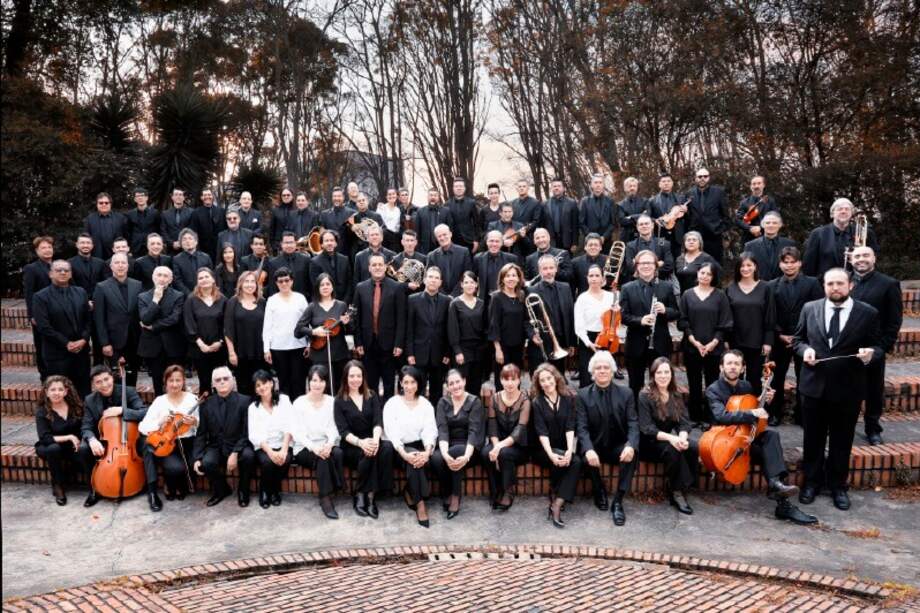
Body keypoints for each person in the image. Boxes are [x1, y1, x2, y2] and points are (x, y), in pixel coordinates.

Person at [794, 268, 882, 511]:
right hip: (813, 388)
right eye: (830, 283)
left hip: (848, 390)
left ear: (850, 285)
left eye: (840, 283)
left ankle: (838, 486)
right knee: (812, 439)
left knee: (842, 441)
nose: (835, 288)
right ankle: (811, 483)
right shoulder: (809, 308)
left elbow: (878, 346)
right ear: (824, 286)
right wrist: (805, 351)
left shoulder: (868, 313)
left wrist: (870, 354)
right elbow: (798, 340)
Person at [706, 351, 815, 524]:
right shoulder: (713, 390)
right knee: (768, 451)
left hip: (745, 438)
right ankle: (782, 501)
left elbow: (755, 415)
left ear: (742, 368)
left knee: (771, 436)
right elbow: (722, 416)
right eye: (729, 363)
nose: (733, 367)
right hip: (724, 443)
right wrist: (752, 412)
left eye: (737, 364)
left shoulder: (746, 386)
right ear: (721, 367)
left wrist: (764, 401)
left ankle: (776, 487)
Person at [576, 351, 637, 526]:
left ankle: (618, 501)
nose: (602, 371)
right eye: (598, 368)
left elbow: (633, 423)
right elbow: (582, 427)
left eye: (606, 367)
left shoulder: (626, 393)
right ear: (592, 372)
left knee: (633, 453)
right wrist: (588, 449)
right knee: (584, 453)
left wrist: (630, 445)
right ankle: (598, 490)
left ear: (612, 371)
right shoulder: (582, 395)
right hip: (595, 446)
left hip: (617, 445)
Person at [850, 246, 902, 445]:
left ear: (874, 259)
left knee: (873, 391)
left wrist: (880, 349)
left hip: (873, 349)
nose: (861, 259)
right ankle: (845, 426)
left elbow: (894, 322)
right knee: (846, 390)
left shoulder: (888, 284)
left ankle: (872, 429)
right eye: (857, 256)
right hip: (846, 349)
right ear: (851, 259)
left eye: (865, 255)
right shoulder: (844, 281)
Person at [79, 365, 148, 508]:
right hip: (106, 441)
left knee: (147, 443)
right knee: (84, 448)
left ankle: (145, 484)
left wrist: (123, 410)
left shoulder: (127, 391)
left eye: (106, 379)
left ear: (112, 377)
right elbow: (86, 426)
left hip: (129, 439)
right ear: (93, 384)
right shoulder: (90, 400)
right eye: (98, 382)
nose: (104, 385)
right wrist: (92, 440)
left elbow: (144, 412)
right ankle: (94, 489)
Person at [768, 246, 822, 426]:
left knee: (804, 378)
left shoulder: (812, 284)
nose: (789, 266)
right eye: (786, 262)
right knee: (776, 379)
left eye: (793, 262)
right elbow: (769, 314)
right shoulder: (771, 285)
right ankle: (775, 414)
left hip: (805, 339)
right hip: (780, 339)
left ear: (800, 263)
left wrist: (799, 336)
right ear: (780, 264)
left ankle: (802, 415)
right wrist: (779, 334)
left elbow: (817, 311)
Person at [334, 360, 393, 518]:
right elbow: (343, 431)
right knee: (367, 454)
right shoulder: (339, 400)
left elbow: (377, 421)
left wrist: (373, 441)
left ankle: (365, 493)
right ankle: (366, 496)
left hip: (372, 438)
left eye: (358, 376)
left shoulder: (372, 395)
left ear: (363, 377)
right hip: (352, 444)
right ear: (346, 377)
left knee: (385, 448)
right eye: (351, 376)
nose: (355, 379)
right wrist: (362, 443)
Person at [638, 358, 697, 515]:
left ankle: (688, 485)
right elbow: (646, 428)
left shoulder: (676, 394)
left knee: (693, 446)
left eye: (666, 372)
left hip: (666, 440)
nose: (663, 376)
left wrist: (682, 438)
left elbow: (684, 423)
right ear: (653, 375)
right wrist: (673, 439)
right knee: (673, 450)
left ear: (671, 374)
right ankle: (676, 492)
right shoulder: (645, 395)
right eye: (659, 372)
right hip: (647, 443)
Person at [619, 250, 680, 399]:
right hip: (636, 342)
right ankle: (635, 417)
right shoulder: (627, 288)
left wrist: (666, 310)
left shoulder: (666, 287)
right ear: (637, 266)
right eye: (642, 263)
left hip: (660, 342)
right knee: (635, 383)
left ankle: (660, 414)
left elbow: (676, 313)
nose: (646, 266)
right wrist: (640, 320)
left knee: (661, 383)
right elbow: (623, 316)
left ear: (655, 266)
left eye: (649, 263)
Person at [137, 365, 199, 510]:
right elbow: (143, 426)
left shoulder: (192, 399)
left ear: (184, 381)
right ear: (165, 382)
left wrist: (194, 422)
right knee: (175, 468)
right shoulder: (160, 401)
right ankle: (169, 484)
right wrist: (160, 423)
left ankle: (179, 485)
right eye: (171, 380)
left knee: (192, 466)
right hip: (167, 443)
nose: (175, 384)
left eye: (178, 380)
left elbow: (200, 424)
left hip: (188, 442)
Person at [193, 367, 256, 507]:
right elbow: (201, 433)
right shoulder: (206, 404)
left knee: (248, 456)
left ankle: (243, 490)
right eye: (218, 380)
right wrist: (197, 457)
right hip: (217, 445)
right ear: (213, 384)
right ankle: (222, 490)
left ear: (232, 381)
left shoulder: (245, 401)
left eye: (225, 379)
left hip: (240, 444)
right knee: (207, 462)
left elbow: (248, 432)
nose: (222, 382)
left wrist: (235, 452)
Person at [678, 262, 732, 425]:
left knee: (712, 383)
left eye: (709, 274)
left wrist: (713, 343)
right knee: (694, 383)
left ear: (713, 277)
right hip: (692, 346)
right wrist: (694, 341)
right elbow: (683, 320)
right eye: (702, 273)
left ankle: (710, 417)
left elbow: (725, 322)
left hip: (714, 348)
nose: (705, 276)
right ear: (697, 274)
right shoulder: (687, 294)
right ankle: (695, 417)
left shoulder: (720, 295)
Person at [384, 366, 438, 527]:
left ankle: (410, 492)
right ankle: (420, 504)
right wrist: (404, 453)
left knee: (418, 458)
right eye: (405, 382)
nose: (409, 386)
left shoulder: (425, 404)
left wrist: (427, 452)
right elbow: (391, 433)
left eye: (412, 382)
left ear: (418, 383)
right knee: (414, 460)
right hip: (397, 448)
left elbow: (430, 430)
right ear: (400, 383)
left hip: (420, 446)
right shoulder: (392, 404)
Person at [530, 363, 582, 529]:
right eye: (542, 380)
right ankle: (557, 500)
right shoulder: (537, 403)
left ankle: (557, 501)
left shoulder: (568, 398)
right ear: (539, 384)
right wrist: (551, 455)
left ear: (555, 378)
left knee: (575, 460)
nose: (546, 383)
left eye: (548, 378)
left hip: (562, 446)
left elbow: (570, 426)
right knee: (567, 461)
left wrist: (569, 450)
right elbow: (541, 432)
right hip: (542, 450)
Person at [289, 366, 344, 518]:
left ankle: (334, 488)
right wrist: (314, 448)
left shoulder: (332, 402)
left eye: (321, 380)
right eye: (314, 380)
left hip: (326, 444)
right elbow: (297, 432)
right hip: (305, 448)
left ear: (326, 383)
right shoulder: (299, 403)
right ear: (309, 382)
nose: (317, 384)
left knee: (337, 452)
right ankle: (325, 497)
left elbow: (334, 427)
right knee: (322, 459)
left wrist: (329, 444)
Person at [32, 260, 92, 397]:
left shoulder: (81, 292)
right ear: (50, 274)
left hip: (81, 353)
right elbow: (43, 327)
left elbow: (88, 320)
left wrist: (84, 339)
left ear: (71, 274)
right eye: (58, 270)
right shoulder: (40, 297)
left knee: (83, 393)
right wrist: (66, 343)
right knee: (60, 395)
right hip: (57, 355)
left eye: (66, 270)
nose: (63, 272)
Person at [430, 369, 484, 519]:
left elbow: (474, 431)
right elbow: (443, 430)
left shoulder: (475, 402)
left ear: (464, 381)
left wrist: (467, 455)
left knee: (457, 452)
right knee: (436, 458)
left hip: (470, 447)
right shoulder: (443, 402)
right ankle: (446, 491)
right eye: (451, 383)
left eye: (458, 382)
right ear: (447, 386)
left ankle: (455, 495)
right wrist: (445, 454)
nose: (455, 386)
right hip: (448, 445)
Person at [353, 253, 406, 397]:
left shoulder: (397, 287)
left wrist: (399, 343)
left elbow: (401, 318)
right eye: (374, 265)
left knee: (389, 383)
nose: (377, 267)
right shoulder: (360, 288)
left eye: (380, 264)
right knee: (370, 384)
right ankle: (374, 415)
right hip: (367, 344)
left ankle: (387, 414)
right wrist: (358, 342)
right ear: (369, 268)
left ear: (385, 266)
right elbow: (356, 318)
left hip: (389, 345)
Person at [481, 364, 530, 510]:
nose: (509, 383)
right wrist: (496, 446)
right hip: (499, 441)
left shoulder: (525, 400)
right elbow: (492, 427)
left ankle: (508, 491)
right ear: (501, 380)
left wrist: (499, 448)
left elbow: (520, 430)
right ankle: (495, 490)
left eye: (513, 379)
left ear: (519, 380)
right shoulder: (494, 399)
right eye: (506, 379)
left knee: (504, 453)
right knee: (485, 453)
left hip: (519, 445)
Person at [726, 253, 775, 396]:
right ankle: (735, 412)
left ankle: (753, 412)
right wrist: (727, 340)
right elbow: (727, 317)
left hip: (757, 342)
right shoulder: (731, 289)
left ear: (755, 267)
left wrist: (768, 341)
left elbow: (770, 316)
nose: (745, 268)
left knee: (754, 378)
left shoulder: (765, 288)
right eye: (742, 266)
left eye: (749, 265)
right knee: (734, 378)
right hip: (736, 341)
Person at [294, 272, 352, 394]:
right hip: (319, 355)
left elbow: (351, 330)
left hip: (339, 355)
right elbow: (298, 330)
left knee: (340, 388)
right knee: (323, 389)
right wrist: (314, 331)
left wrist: (347, 323)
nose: (325, 287)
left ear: (332, 287)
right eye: (322, 285)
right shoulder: (312, 307)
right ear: (317, 288)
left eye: (328, 284)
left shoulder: (341, 305)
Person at [34, 376, 87, 505]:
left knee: (85, 452)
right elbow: (45, 438)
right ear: (46, 392)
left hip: (71, 446)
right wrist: (69, 437)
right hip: (48, 446)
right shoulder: (42, 412)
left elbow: (84, 428)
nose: (56, 393)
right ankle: (58, 486)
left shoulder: (76, 407)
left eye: (60, 389)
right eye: (52, 390)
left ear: (66, 391)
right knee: (54, 448)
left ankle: (94, 484)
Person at [92, 253, 142, 386]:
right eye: (117, 263)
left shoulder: (137, 285)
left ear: (128, 265)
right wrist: (104, 343)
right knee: (117, 377)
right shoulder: (101, 287)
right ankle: (117, 405)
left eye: (123, 263)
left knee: (133, 374)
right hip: (113, 341)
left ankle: (130, 404)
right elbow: (99, 318)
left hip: (134, 339)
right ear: (111, 266)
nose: (120, 265)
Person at [247, 370, 293, 509]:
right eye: (258, 385)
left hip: (284, 442)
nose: (262, 387)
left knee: (285, 461)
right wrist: (271, 452)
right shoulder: (253, 408)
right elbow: (254, 434)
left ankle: (273, 489)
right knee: (267, 463)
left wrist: (284, 449)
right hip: (264, 446)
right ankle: (266, 491)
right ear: (255, 390)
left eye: (265, 383)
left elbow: (291, 424)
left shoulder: (284, 400)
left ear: (271, 383)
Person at [138, 266, 186, 396]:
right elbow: (146, 319)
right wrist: (155, 300)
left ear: (170, 280)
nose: (162, 278)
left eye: (166, 276)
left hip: (173, 345)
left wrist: (154, 327)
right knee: (157, 380)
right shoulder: (143, 297)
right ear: (153, 277)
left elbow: (175, 319)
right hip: (153, 346)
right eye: (159, 275)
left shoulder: (178, 295)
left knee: (175, 378)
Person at [803, 198, 880, 281]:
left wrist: (857, 257)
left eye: (847, 209)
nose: (843, 211)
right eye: (839, 209)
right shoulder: (818, 233)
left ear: (851, 214)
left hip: (857, 284)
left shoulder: (865, 233)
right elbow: (809, 264)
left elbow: (874, 260)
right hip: (825, 285)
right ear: (832, 214)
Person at [262, 267, 308, 399]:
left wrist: (309, 344)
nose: (284, 284)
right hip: (278, 347)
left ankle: (299, 412)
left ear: (292, 281)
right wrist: (266, 349)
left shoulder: (300, 298)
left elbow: (307, 322)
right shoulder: (272, 300)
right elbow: (267, 326)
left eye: (287, 280)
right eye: (280, 281)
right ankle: (286, 412)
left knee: (299, 381)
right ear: (276, 283)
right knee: (283, 382)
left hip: (298, 346)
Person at [223, 271, 267, 397]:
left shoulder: (262, 302)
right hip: (240, 353)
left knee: (261, 387)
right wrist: (231, 353)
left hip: (260, 352)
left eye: (252, 281)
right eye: (246, 281)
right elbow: (228, 329)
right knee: (244, 386)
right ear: (240, 284)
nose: (249, 285)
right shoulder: (233, 302)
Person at [183, 268, 227, 392]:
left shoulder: (222, 299)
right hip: (199, 349)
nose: (204, 280)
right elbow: (188, 324)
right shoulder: (191, 300)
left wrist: (220, 342)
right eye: (200, 278)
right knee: (205, 382)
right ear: (197, 282)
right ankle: (206, 409)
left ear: (213, 279)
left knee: (220, 383)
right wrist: (201, 344)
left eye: (206, 277)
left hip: (219, 349)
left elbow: (226, 324)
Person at [574, 264, 616, 387]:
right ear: (587, 278)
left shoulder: (611, 296)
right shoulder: (582, 298)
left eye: (597, 275)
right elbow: (579, 326)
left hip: (606, 338)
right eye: (591, 275)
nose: (594, 278)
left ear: (602, 279)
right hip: (588, 339)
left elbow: (616, 320)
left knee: (605, 375)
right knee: (587, 377)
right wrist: (588, 343)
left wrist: (617, 311)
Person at [488, 263, 531, 383]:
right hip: (502, 347)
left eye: (514, 275)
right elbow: (494, 324)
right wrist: (498, 349)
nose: (511, 278)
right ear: (502, 279)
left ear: (518, 278)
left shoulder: (521, 296)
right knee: (502, 379)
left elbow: (525, 321)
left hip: (518, 345)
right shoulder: (496, 297)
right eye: (507, 276)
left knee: (516, 378)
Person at [448, 271, 488, 394]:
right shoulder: (455, 304)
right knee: (461, 386)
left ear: (476, 285)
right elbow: (452, 330)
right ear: (461, 285)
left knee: (476, 385)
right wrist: (457, 351)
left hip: (479, 350)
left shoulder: (481, 303)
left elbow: (485, 327)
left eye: (472, 282)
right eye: (466, 282)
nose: (469, 285)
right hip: (462, 351)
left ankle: (474, 412)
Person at [23, 236, 54, 379]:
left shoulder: (58, 266)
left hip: (58, 313)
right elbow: (29, 293)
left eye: (49, 247)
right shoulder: (31, 269)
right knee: (42, 347)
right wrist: (32, 315)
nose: (47, 250)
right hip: (41, 314)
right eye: (43, 248)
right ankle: (45, 378)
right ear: (37, 251)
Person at [686, 168, 730, 264]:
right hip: (696, 237)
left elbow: (726, 215)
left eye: (705, 176)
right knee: (697, 265)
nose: (702, 178)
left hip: (714, 236)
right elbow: (688, 215)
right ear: (695, 178)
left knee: (715, 265)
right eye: (700, 176)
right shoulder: (690, 193)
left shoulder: (719, 192)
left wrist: (720, 230)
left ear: (709, 178)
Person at [743, 211, 795, 282]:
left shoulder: (790, 244)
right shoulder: (750, 246)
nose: (771, 225)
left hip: (783, 288)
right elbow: (746, 270)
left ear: (780, 225)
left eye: (774, 223)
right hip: (758, 288)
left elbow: (794, 269)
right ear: (762, 225)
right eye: (768, 223)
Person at [621, 214, 674, 281]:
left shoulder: (664, 243)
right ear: (637, 227)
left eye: (646, 224)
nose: (644, 226)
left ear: (652, 226)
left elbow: (669, 266)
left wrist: (640, 266)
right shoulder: (630, 245)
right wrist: (657, 264)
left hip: (660, 281)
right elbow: (630, 267)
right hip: (638, 282)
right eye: (641, 224)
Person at [473, 230, 518, 307]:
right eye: (491, 241)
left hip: (506, 300)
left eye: (497, 241)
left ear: (502, 243)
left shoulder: (511, 259)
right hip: (485, 301)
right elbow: (473, 279)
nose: (494, 244)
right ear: (486, 242)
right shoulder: (478, 258)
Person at [426, 224, 474, 296]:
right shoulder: (432, 256)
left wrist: (454, 295)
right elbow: (430, 279)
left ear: (450, 234)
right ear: (436, 238)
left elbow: (467, 275)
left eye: (444, 234)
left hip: (460, 296)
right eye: (439, 236)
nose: (442, 238)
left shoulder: (464, 252)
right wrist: (444, 296)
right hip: (439, 297)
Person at [648, 173, 687, 258]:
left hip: (677, 235)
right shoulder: (652, 200)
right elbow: (648, 217)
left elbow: (689, 217)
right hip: (661, 235)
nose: (666, 183)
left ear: (672, 183)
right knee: (662, 260)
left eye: (668, 181)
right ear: (659, 184)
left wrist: (686, 211)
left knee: (678, 261)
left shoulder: (681, 198)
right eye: (663, 181)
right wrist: (655, 221)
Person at [309, 230, 352, 304]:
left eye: (332, 240)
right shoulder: (314, 262)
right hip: (324, 304)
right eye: (326, 241)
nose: (329, 243)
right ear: (321, 244)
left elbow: (350, 283)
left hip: (344, 303)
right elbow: (316, 286)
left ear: (336, 243)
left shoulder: (345, 259)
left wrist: (344, 302)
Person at [735, 175, 780, 244]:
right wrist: (750, 228)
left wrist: (760, 228)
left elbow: (776, 218)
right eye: (754, 184)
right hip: (748, 239)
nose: (756, 186)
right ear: (750, 186)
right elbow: (738, 220)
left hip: (767, 238)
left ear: (763, 185)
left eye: (759, 183)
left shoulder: (770, 201)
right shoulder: (744, 202)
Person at [84, 192, 128, 260]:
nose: (104, 204)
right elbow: (86, 238)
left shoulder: (120, 218)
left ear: (110, 204)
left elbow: (126, 235)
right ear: (97, 204)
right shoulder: (90, 219)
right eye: (101, 203)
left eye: (106, 203)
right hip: (96, 256)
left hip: (117, 256)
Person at [268, 232, 311, 298]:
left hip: (303, 301)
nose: (289, 245)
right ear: (281, 244)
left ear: (296, 243)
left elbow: (309, 284)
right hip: (282, 301)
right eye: (286, 243)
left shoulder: (306, 260)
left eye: (291, 242)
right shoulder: (273, 263)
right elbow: (272, 288)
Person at [68, 233, 107, 306]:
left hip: (98, 302)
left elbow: (105, 284)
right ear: (77, 244)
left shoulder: (101, 263)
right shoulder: (69, 263)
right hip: (77, 303)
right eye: (82, 243)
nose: (85, 245)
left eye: (88, 243)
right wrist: (85, 301)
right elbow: (70, 285)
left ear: (92, 245)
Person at [171, 229, 213, 295]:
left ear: (196, 242)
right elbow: (177, 281)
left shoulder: (206, 257)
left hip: (206, 293)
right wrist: (190, 294)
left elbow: (211, 276)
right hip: (186, 297)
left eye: (190, 238)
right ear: (181, 244)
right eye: (184, 239)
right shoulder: (176, 259)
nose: (187, 241)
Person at [353, 224, 395, 289]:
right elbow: (356, 280)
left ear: (382, 237)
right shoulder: (359, 256)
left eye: (377, 234)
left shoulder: (392, 255)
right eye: (372, 235)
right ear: (367, 238)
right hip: (365, 294)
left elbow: (394, 279)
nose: (374, 237)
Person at [510, 179, 545, 256]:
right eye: (519, 186)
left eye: (524, 186)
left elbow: (536, 221)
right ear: (517, 188)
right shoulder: (512, 203)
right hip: (515, 239)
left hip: (529, 238)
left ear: (528, 188)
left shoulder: (535, 203)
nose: (521, 188)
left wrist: (524, 230)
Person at [579, 174, 616, 247]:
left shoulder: (610, 201)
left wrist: (604, 237)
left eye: (600, 182)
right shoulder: (585, 201)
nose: (598, 185)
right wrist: (591, 237)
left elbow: (613, 222)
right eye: (595, 182)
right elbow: (581, 222)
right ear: (591, 185)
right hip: (590, 242)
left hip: (606, 241)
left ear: (603, 185)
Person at [414, 188, 454, 255]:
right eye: (431, 195)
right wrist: (418, 248)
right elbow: (417, 231)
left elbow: (450, 229)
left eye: (435, 195)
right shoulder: (420, 211)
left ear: (438, 197)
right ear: (427, 197)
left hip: (442, 245)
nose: (433, 197)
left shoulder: (446, 211)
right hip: (425, 248)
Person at [544, 178, 579, 253]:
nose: (556, 188)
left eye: (559, 186)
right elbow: (543, 225)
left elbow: (575, 225)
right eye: (554, 186)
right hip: (551, 242)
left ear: (563, 188)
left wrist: (575, 243)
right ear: (551, 188)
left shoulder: (572, 203)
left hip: (567, 241)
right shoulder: (545, 204)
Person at [190, 187, 226, 260]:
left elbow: (225, 229)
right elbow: (194, 231)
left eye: (209, 195)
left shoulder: (222, 212)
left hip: (219, 248)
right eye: (205, 195)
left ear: (212, 196)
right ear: (201, 197)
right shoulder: (196, 213)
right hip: (202, 249)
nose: (207, 197)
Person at [445, 177, 480, 252]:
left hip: (469, 241)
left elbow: (477, 224)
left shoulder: (471, 203)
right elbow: (446, 224)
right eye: (456, 186)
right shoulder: (447, 204)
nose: (459, 188)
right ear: (453, 188)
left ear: (464, 188)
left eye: (461, 186)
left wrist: (476, 240)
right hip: (452, 241)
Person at [320, 187, 357, 256]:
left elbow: (355, 236)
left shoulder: (352, 213)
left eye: (339, 196)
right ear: (332, 198)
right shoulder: (324, 214)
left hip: (347, 254)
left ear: (343, 197)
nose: (336, 198)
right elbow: (322, 234)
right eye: (334, 196)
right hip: (329, 253)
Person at [125, 187, 161, 256]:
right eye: (137, 196)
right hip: (135, 247)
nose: (140, 198)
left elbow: (159, 230)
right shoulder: (130, 214)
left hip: (151, 246)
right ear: (135, 199)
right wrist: (128, 248)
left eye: (142, 195)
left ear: (146, 198)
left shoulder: (155, 213)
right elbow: (128, 232)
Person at [389, 229, 427, 294]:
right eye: (407, 240)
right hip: (402, 295)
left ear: (416, 242)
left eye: (412, 240)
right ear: (402, 242)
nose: (409, 243)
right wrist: (407, 285)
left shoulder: (424, 259)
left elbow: (426, 278)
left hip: (419, 294)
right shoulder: (395, 260)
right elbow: (392, 283)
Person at [160, 187, 194, 254]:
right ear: (172, 197)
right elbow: (163, 231)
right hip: (171, 250)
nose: (178, 197)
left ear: (184, 197)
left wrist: (182, 242)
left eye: (180, 194)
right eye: (176, 194)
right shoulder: (165, 214)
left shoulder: (191, 212)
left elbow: (192, 229)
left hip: (188, 248)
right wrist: (172, 243)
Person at [617, 177, 650, 244]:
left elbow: (648, 216)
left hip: (644, 236)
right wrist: (641, 215)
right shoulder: (619, 205)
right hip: (627, 238)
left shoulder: (645, 201)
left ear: (637, 187)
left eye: (634, 186)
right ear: (625, 188)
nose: (632, 188)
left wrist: (630, 217)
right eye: (630, 186)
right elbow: (622, 221)